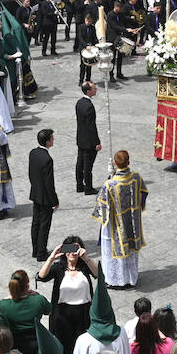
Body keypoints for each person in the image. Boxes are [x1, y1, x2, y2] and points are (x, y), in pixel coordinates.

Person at [93, 151, 147, 289]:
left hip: (116, 225)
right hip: (132, 222)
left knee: (116, 250)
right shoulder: (136, 178)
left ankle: (116, 280)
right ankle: (130, 278)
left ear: (115, 163)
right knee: (130, 251)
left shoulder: (110, 184)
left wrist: (110, 178)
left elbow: (101, 205)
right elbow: (143, 195)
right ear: (128, 162)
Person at [30, 129, 60, 262]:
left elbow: (30, 174)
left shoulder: (33, 153)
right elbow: (49, 183)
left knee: (36, 223)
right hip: (45, 197)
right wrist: (54, 200)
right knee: (44, 225)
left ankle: (35, 249)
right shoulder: (47, 159)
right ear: (47, 141)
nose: (53, 140)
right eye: (52, 138)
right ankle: (41, 253)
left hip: (35, 193)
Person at [76, 82, 100, 195]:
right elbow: (91, 126)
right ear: (88, 91)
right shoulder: (89, 106)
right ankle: (88, 188)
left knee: (80, 163)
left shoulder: (79, 103)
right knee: (87, 165)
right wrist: (97, 142)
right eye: (94, 88)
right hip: (89, 141)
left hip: (81, 138)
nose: (96, 89)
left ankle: (79, 185)